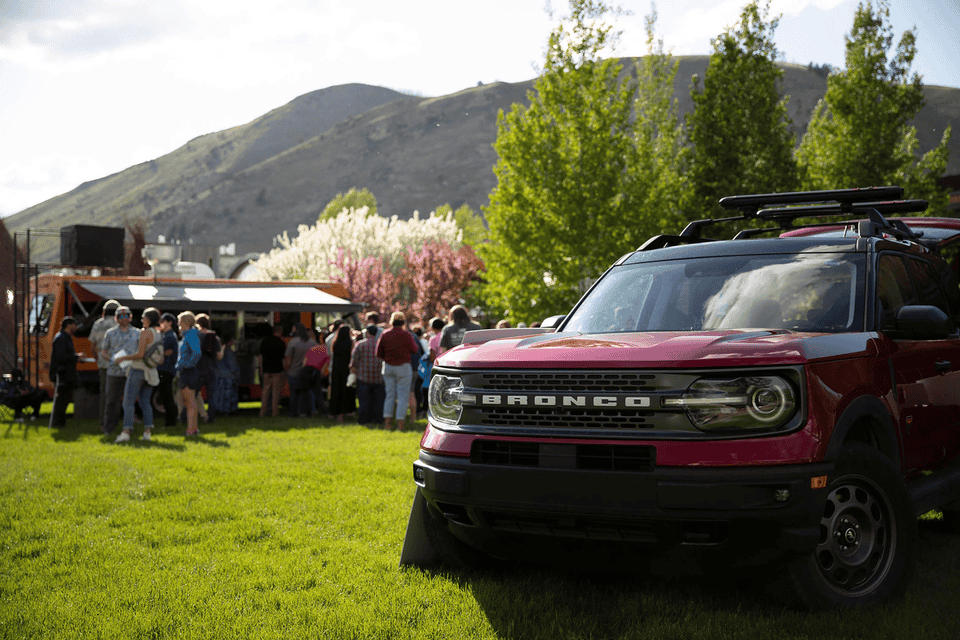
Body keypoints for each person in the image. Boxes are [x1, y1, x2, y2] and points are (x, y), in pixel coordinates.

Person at [114, 307, 161, 443]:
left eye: (143, 318)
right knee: (145, 402)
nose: (141, 320)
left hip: (138, 370)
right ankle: (147, 433)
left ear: (148, 319)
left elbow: (140, 354)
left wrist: (124, 358)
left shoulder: (145, 333)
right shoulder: (157, 333)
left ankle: (126, 432)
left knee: (128, 401)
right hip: (151, 372)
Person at [99, 306, 140, 435]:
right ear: (116, 319)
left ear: (130, 317)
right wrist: (111, 359)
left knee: (130, 401)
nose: (124, 319)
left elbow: (141, 350)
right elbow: (103, 352)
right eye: (121, 316)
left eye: (126, 316)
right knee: (111, 400)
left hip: (131, 371)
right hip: (114, 372)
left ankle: (128, 428)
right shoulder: (110, 333)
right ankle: (108, 428)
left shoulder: (137, 333)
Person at [376, 311, 419, 431]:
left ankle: (387, 424)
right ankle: (400, 425)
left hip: (388, 366)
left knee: (389, 396)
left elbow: (378, 353)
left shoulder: (385, 334)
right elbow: (415, 349)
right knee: (403, 397)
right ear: (403, 322)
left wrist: (388, 358)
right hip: (403, 367)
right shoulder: (406, 335)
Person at [88, 299, 119, 430]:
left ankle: (103, 422)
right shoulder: (119, 325)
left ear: (104, 312)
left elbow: (92, 346)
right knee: (116, 394)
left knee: (104, 394)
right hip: (117, 364)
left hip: (103, 364)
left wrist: (98, 359)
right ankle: (114, 422)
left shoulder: (98, 324)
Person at [350, 325, 384, 426]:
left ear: (367, 332)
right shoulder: (380, 344)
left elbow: (354, 360)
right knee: (378, 401)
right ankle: (377, 419)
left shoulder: (360, 344)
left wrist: (353, 370)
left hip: (363, 376)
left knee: (364, 401)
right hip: (378, 376)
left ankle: (364, 420)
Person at [49, 316, 80, 428]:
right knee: (62, 398)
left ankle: (60, 422)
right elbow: (61, 356)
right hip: (63, 373)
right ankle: (57, 422)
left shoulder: (66, 337)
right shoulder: (61, 338)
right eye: (74, 324)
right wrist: (76, 357)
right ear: (69, 325)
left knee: (65, 398)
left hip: (68, 372)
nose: (76, 327)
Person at [176, 311, 203, 437]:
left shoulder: (191, 335)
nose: (178, 324)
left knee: (190, 402)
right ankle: (192, 428)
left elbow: (196, 353)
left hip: (189, 371)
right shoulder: (187, 335)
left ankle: (192, 430)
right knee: (188, 402)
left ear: (185, 322)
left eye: (179, 321)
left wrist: (187, 364)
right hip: (185, 370)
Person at [284, 323, 316, 417]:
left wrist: (286, 369)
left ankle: (293, 412)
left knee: (294, 394)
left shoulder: (293, 342)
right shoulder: (311, 343)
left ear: (297, 330)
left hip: (294, 372)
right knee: (306, 394)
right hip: (307, 372)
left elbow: (288, 360)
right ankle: (307, 411)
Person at [194, 314, 221, 425]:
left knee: (192, 394)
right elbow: (219, 356)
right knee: (211, 396)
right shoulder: (215, 337)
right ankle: (211, 418)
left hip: (197, 369)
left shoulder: (196, 336)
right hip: (211, 369)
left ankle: (186, 416)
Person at [156, 313, 180, 428]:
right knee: (166, 395)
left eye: (163, 321)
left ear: (169, 322)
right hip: (166, 369)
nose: (161, 324)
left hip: (166, 369)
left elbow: (167, 352)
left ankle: (170, 421)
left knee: (167, 396)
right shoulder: (167, 335)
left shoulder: (169, 336)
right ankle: (170, 420)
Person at [328, 324, 355, 422]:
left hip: (336, 370)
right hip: (346, 370)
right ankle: (343, 414)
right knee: (345, 392)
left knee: (335, 391)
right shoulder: (350, 343)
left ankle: (332, 412)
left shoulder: (335, 343)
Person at [258, 323, 287, 418]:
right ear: (280, 331)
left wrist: (261, 369)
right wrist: (285, 370)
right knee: (276, 393)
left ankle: (262, 412)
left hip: (266, 371)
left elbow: (260, 357)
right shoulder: (281, 343)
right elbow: (283, 359)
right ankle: (275, 412)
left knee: (265, 392)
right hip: (277, 371)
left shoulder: (264, 342)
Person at [212, 335, 240, 415]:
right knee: (229, 395)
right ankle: (229, 411)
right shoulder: (228, 350)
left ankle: (220, 410)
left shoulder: (215, 350)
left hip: (218, 375)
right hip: (228, 376)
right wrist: (236, 373)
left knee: (219, 395)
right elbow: (232, 364)